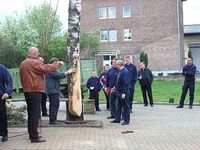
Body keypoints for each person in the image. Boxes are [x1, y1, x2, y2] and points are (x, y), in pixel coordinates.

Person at [19, 47, 63, 143]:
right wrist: (57, 64)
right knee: (35, 114)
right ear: (34, 53)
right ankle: (34, 137)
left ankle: (31, 133)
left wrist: (39, 62)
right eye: (37, 53)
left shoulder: (23, 63)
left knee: (31, 113)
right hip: (35, 90)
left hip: (27, 90)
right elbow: (46, 68)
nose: (38, 55)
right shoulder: (33, 62)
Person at [46, 58, 75, 124]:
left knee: (54, 105)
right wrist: (69, 71)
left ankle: (53, 119)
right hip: (53, 90)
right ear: (53, 63)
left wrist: (60, 65)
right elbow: (59, 75)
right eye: (56, 64)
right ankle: (53, 120)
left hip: (53, 90)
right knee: (54, 105)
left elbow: (59, 74)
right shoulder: (50, 70)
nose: (57, 66)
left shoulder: (51, 69)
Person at [111, 60, 130, 125]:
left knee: (125, 106)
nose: (115, 66)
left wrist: (124, 93)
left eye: (116, 64)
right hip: (119, 92)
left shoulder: (125, 72)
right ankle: (117, 119)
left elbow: (126, 83)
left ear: (119, 65)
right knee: (118, 105)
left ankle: (126, 120)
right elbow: (119, 81)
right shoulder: (120, 71)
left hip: (123, 92)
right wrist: (115, 87)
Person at [0, 64, 13, 142]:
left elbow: (9, 81)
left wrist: (7, 92)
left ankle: (4, 134)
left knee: (2, 116)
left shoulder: (1, 68)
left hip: (1, 97)